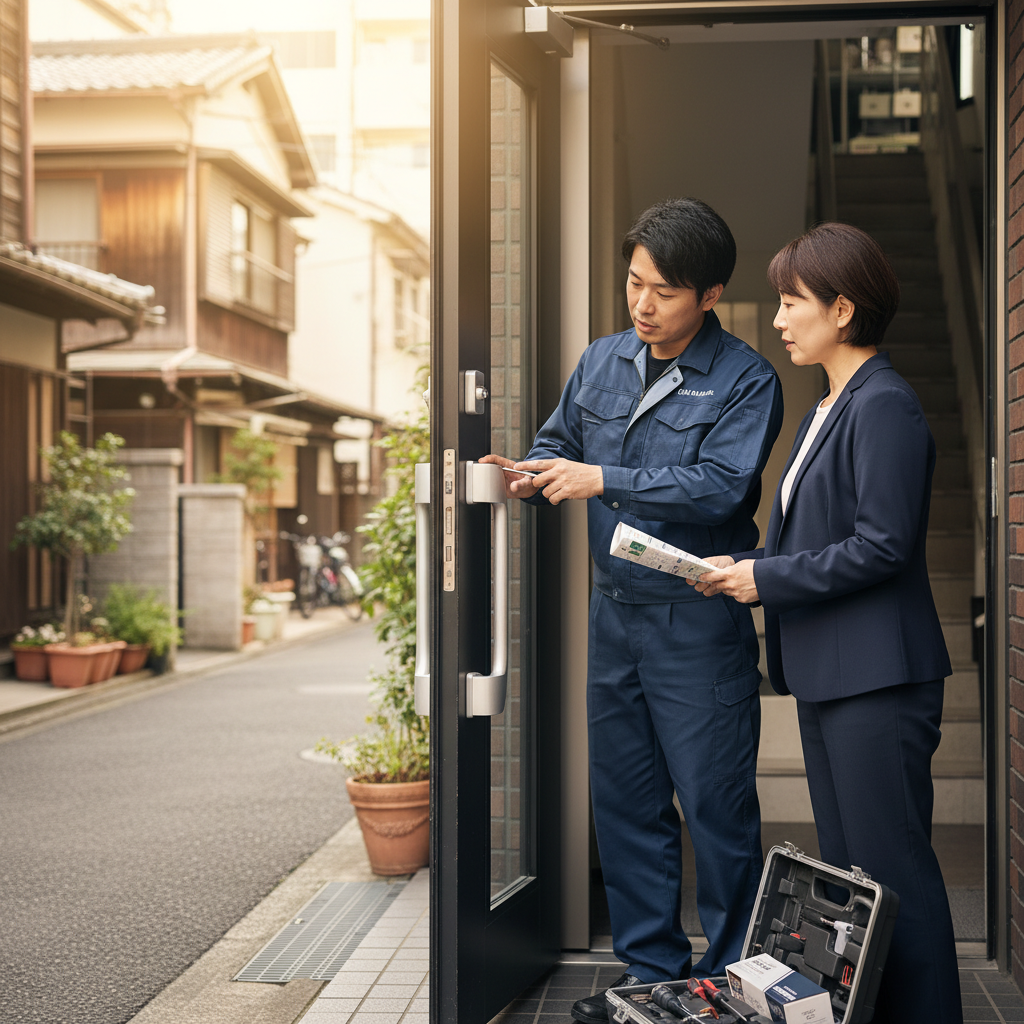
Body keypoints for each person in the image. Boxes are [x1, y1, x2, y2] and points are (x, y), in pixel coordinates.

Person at [481, 197, 784, 1023]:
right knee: (625, 802)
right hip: (614, 618)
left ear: (710, 295)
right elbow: (559, 443)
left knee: (717, 808)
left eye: (663, 292)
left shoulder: (747, 379)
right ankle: (652, 969)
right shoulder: (603, 360)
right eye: (633, 284)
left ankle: (727, 983)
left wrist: (602, 480)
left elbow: (720, 485)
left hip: (696, 618)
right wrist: (531, 474)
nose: (643, 306)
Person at [692, 222, 961, 1023]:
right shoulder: (827, 409)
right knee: (857, 881)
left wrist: (766, 578)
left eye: (790, 302)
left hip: (880, 677)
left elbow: (882, 545)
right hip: (835, 675)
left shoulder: (885, 405)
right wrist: (752, 573)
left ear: (843, 308)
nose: (778, 320)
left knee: (894, 870)